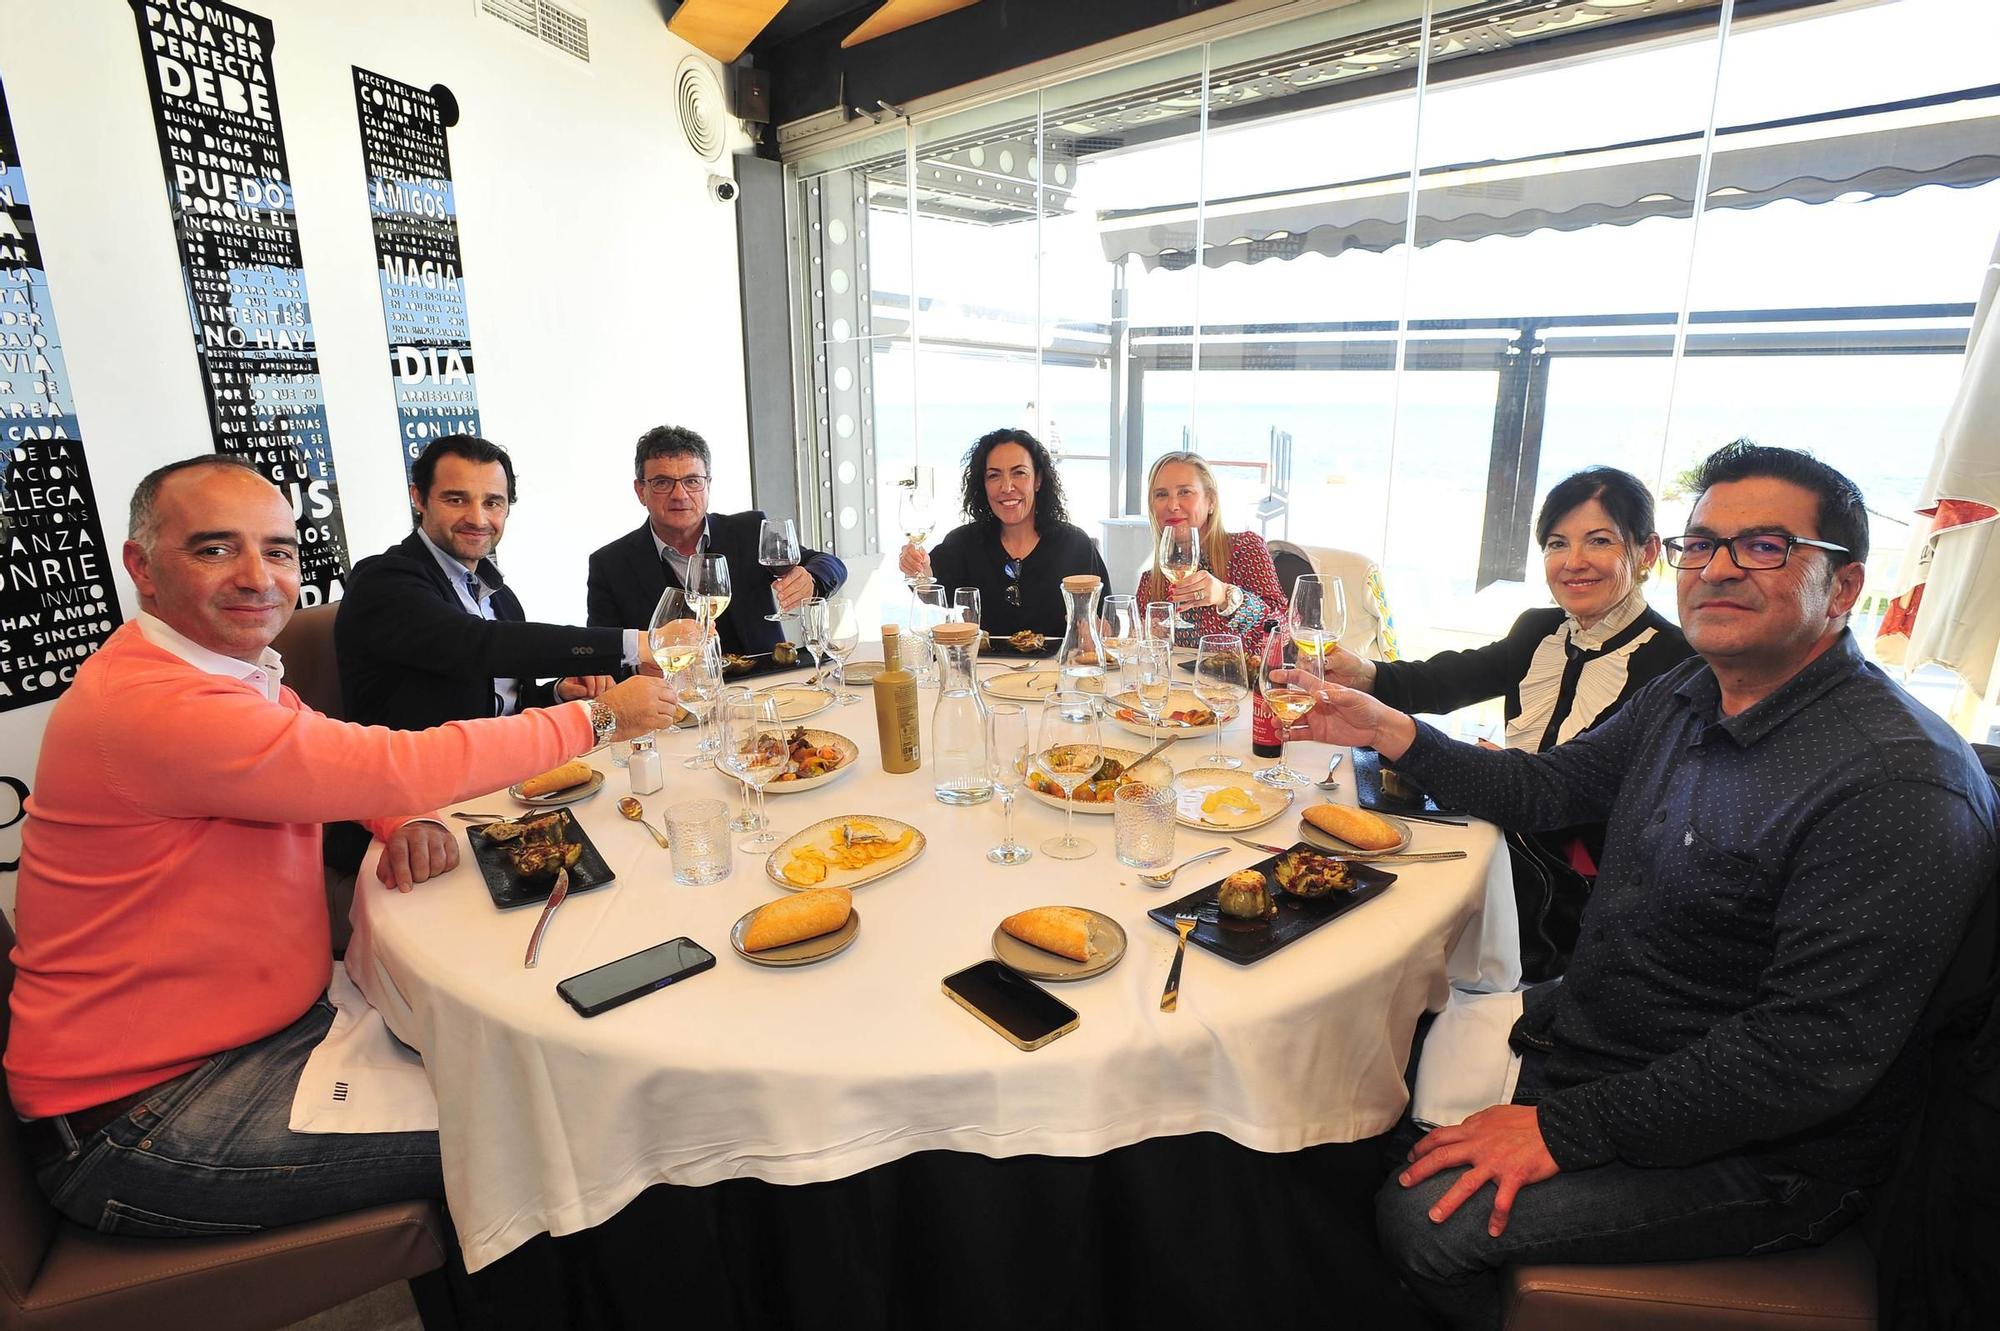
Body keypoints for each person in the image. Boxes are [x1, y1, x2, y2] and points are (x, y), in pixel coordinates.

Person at [1286, 441, 1997, 1330]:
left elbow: (1803, 1059)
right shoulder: (1697, 690)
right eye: (1702, 545)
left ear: (1844, 586)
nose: (1718, 569)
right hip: (1610, 1038)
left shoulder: (1893, 783)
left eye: (1764, 546)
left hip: (1767, 1149)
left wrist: (1560, 1130)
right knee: (1361, 1074)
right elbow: (1546, 789)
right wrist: (1392, 728)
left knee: (1421, 1219)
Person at [4, 457, 679, 1237]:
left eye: (279, 551)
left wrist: (402, 817)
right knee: (558, 1124)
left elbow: (334, 759)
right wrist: (599, 719)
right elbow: (390, 761)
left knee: (536, 1069)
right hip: (143, 1116)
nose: (258, 577)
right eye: (215, 549)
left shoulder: (224, 672)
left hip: (268, 1031)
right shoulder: (157, 704)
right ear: (142, 567)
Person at [1308, 465, 1695, 977]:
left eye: (1598, 541)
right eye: (1558, 544)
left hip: (1569, 878)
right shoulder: (1539, 630)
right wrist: (1366, 673)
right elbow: (1449, 678)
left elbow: (1626, 800)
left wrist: (1503, 770)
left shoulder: (1676, 663)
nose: (1573, 562)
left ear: (1646, 553)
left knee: (1382, 922)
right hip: (1499, 819)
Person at [339, 433, 645, 734]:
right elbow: (475, 645)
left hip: (507, 768)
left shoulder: (500, 597)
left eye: (493, 503)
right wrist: (634, 644)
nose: (477, 518)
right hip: (432, 777)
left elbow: (504, 705)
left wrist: (558, 693)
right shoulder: (381, 581)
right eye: (456, 499)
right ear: (418, 498)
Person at [588, 425, 846, 659]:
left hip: (767, 689)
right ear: (640, 491)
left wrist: (810, 579)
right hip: (674, 703)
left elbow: (831, 564)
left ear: (708, 485)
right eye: (662, 483)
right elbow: (603, 654)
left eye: (692, 481)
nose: (680, 495)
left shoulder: (748, 531)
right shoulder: (610, 565)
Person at [897, 427, 1112, 640]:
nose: (1007, 487)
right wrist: (917, 568)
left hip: (1055, 671)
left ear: (1037, 480)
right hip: (983, 671)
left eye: (1019, 473)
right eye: (994, 476)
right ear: (983, 485)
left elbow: (1106, 622)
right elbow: (929, 592)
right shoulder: (964, 543)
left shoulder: (1075, 545)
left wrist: (1100, 631)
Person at [1132, 451, 1284, 652]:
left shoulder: (1245, 549)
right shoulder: (1151, 582)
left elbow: (1284, 628)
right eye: (1161, 495)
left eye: (1185, 492)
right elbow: (1145, 659)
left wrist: (1226, 596)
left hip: (1241, 682)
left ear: (1211, 501)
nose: (1172, 505)